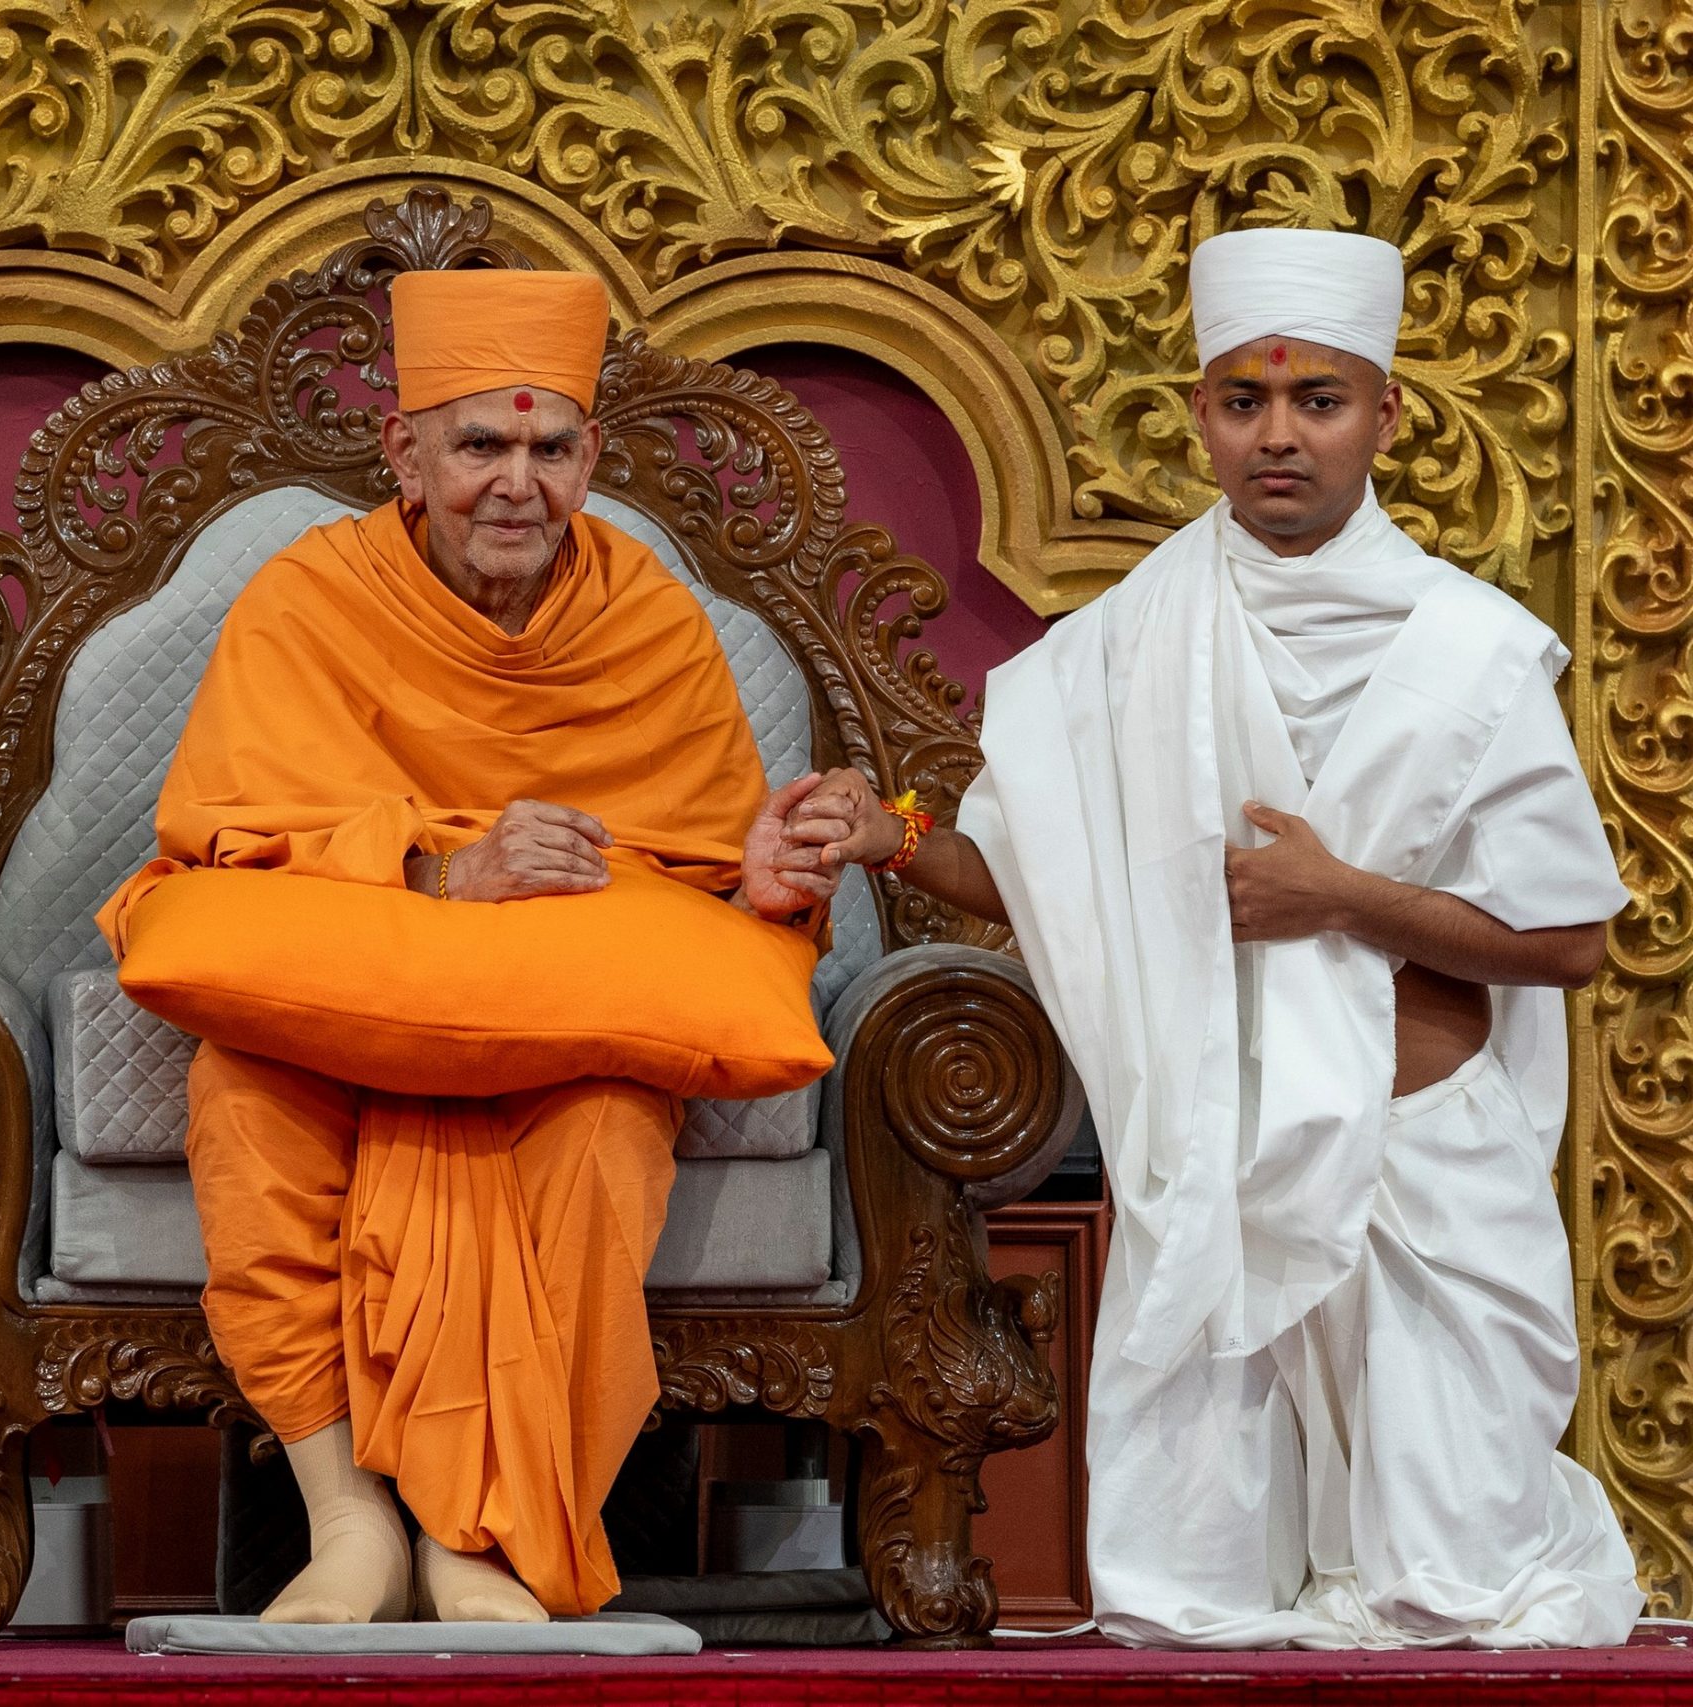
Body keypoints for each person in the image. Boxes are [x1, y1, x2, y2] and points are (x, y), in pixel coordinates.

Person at [807, 228, 1643, 1648]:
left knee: (1461, 1586)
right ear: (1198, 414)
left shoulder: (1472, 651)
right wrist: (891, 839)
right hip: (1212, 1164)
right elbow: (1047, 875)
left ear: (1384, 413)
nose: (1279, 436)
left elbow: (1566, 943)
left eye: (1318, 401)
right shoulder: (1132, 639)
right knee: (1202, 1607)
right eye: (1244, 402)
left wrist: (1342, 901)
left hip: (1421, 1163)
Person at [96, 268, 849, 1625]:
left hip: (561, 1026)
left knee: (609, 1139)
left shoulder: (651, 622)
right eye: (480, 445)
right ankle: (350, 1526)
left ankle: (477, 1536)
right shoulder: (311, 597)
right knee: (246, 1103)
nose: (518, 484)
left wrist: (759, 881)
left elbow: (703, 861)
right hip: (349, 991)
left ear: (591, 459)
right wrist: (440, 868)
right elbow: (226, 832)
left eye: (551, 448)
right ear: (404, 451)